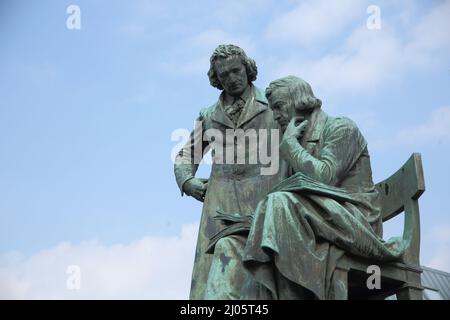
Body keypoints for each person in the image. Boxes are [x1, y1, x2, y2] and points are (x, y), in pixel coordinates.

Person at [207, 75, 406, 300]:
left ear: (299, 101)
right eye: (272, 109)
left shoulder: (341, 127)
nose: (275, 115)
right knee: (230, 244)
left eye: (279, 107)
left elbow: (324, 177)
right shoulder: (293, 143)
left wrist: (290, 145)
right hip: (309, 223)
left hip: (353, 220)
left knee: (278, 203)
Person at [174, 45, 281, 299]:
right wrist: (188, 181)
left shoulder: (273, 104)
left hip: (263, 196)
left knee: (261, 272)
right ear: (217, 79)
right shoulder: (209, 115)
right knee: (213, 277)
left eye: (236, 71)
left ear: (247, 68)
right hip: (219, 203)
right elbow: (186, 156)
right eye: (224, 75)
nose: (232, 79)